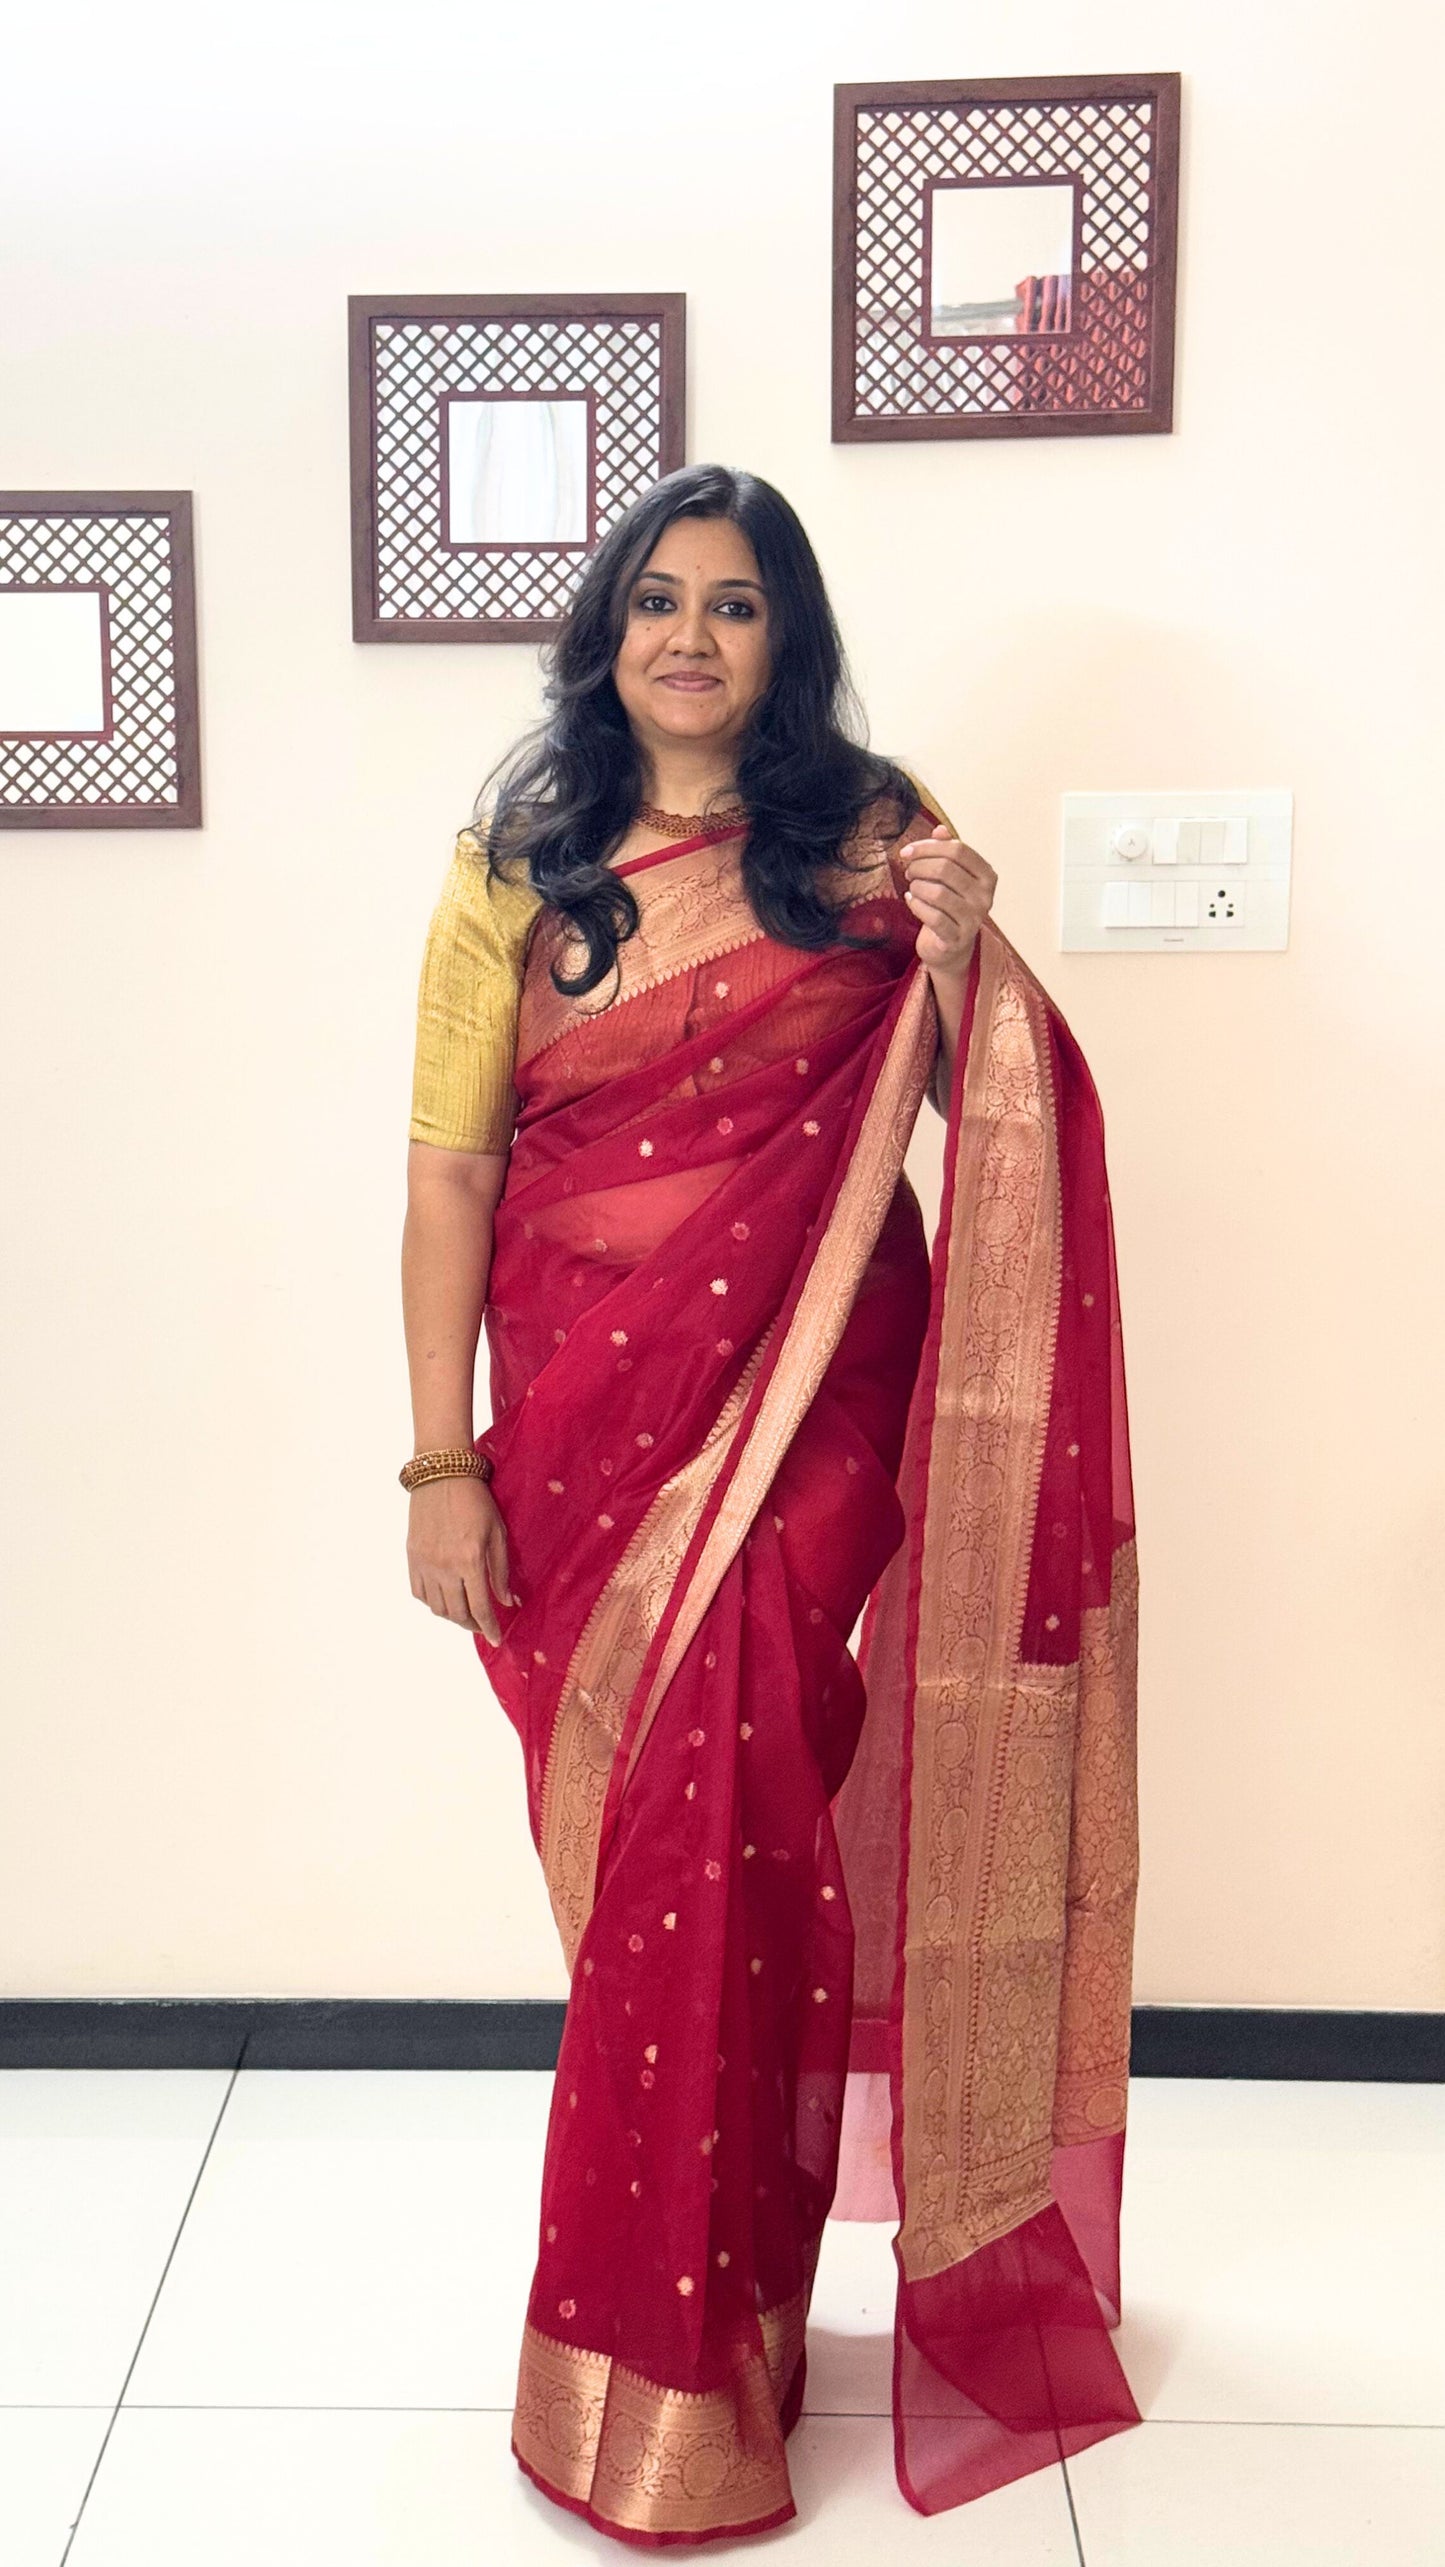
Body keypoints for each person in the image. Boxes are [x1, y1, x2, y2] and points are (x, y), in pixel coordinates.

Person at [400, 463, 1141, 2547]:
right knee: (667, 1864)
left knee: (725, 1804)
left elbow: (954, 1081)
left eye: (737, 605)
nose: (692, 639)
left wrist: (971, 947)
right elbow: (452, 1173)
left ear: (786, 640)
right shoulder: (510, 866)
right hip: (569, 1418)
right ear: (605, 630)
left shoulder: (866, 835)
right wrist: (439, 1455)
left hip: (811, 1400)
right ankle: (694, 2320)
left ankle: (672, 2360)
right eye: (658, 599)